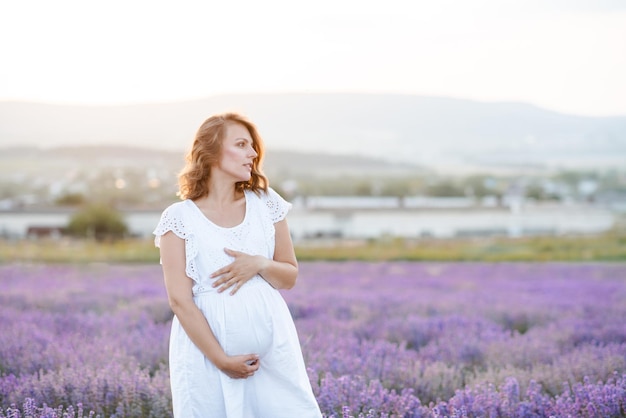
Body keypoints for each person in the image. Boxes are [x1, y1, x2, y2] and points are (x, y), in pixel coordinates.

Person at [153, 112, 322, 417]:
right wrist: (221, 359)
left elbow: (289, 276)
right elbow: (179, 301)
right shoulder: (178, 218)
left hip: (272, 355)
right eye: (242, 144)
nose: (253, 154)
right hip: (206, 358)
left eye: (253, 146)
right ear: (212, 151)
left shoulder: (266, 203)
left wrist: (259, 264)